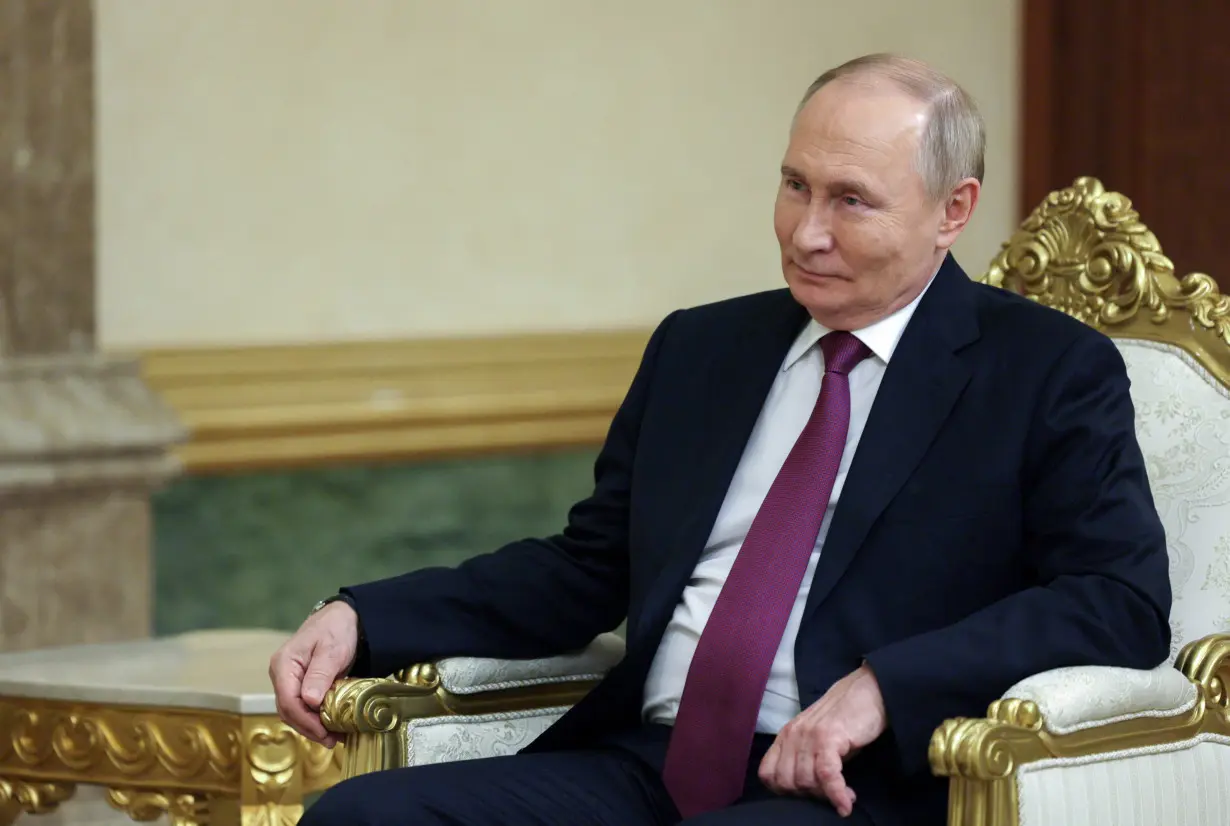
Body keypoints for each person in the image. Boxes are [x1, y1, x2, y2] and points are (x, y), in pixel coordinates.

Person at [271, 54, 1172, 826]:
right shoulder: (703, 348)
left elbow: (1116, 598)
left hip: (850, 787)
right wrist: (367, 615)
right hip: (646, 764)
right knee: (362, 814)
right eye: (795, 186)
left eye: (851, 201)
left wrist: (885, 687)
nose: (806, 232)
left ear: (952, 209)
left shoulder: (1046, 370)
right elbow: (590, 566)